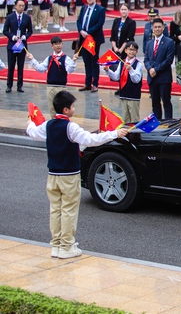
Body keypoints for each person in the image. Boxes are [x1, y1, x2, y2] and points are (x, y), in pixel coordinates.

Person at [26, 91, 129, 259]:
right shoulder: (70, 127)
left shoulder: (48, 125)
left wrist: (30, 121)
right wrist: (114, 134)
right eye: (73, 106)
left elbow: (32, 132)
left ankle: (56, 245)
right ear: (66, 110)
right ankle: (67, 246)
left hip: (53, 175)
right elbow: (90, 140)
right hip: (69, 175)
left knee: (55, 210)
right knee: (68, 210)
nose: (74, 108)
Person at [26, 36, 79, 118]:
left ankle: (62, 125)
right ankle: (53, 125)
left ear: (62, 44)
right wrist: (32, 59)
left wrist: (74, 60)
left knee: (62, 109)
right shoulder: (49, 58)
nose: (58, 46)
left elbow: (70, 69)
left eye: (59, 44)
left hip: (61, 87)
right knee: (52, 109)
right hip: (50, 87)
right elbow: (41, 68)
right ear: (52, 46)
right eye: (55, 44)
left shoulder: (65, 58)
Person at [104, 41, 142, 123]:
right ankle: (127, 134)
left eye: (133, 50)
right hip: (124, 94)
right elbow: (116, 77)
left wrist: (131, 70)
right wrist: (108, 71)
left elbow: (137, 80)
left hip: (133, 96)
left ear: (136, 52)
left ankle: (135, 135)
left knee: (134, 119)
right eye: (129, 49)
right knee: (125, 118)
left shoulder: (138, 64)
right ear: (125, 50)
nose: (131, 52)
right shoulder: (122, 62)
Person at [144, 17, 175, 120]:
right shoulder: (149, 43)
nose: (157, 29)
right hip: (152, 78)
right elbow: (146, 59)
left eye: (159, 27)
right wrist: (149, 69)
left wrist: (155, 70)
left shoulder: (169, 42)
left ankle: (168, 122)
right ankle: (157, 122)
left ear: (163, 28)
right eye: (155, 27)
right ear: (152, 28)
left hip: (163, 78)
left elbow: (168, 60)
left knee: (166, 101)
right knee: (155, 102)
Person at [76, 0, 105, 92]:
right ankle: (87, 83)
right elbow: (79, 21)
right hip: (84, 39)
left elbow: (99, 23)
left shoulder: (100, 9)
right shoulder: (84, 8)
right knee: (86, 61)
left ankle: (95, 83)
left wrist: (88, 32)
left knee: (94, 61)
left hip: (94, 39)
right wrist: (81, 31)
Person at [3, 0, 32, 93]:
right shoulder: (10, 17)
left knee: (20, 66)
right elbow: (5, 30)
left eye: (23, 5)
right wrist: (12, 37)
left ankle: (20, 85)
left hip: (22, 45)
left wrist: (25, 36)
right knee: (11, 66)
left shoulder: (27, 17)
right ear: (15, 6)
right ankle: (9, 85)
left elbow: (30, 31)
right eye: (20, 5)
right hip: (12, 45)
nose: (21, 7)